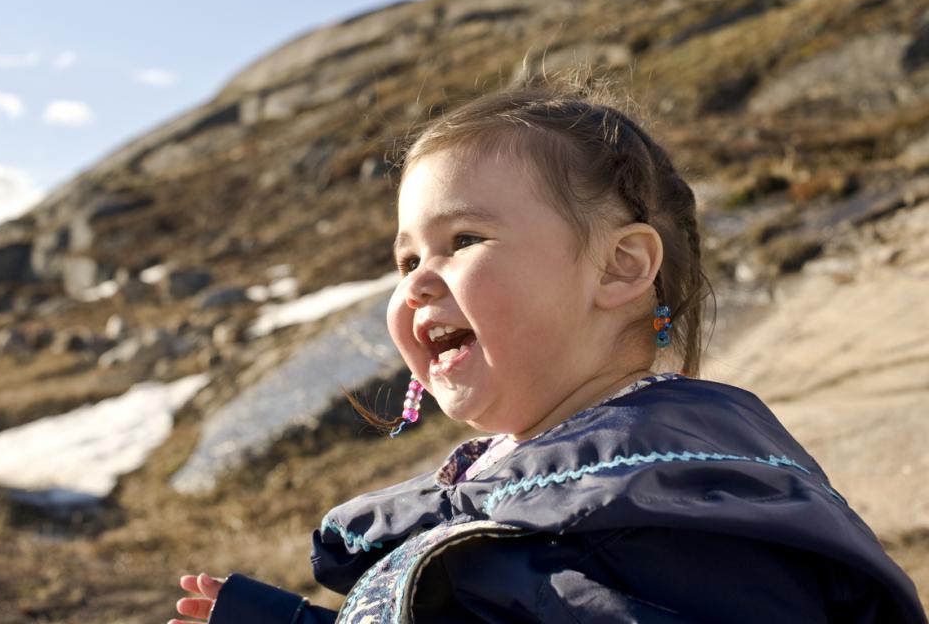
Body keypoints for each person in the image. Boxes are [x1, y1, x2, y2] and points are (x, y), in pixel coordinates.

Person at [170, 81, 927, 623]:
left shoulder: (669, 511)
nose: (418, 284)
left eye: (462, 241)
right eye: (406, 261)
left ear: (620, 267)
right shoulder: (541, 483)